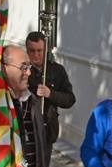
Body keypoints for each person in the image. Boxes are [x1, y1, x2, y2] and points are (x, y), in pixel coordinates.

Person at [25, 30, 76, 159]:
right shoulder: (22, 70)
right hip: (25, 128)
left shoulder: (57, 71)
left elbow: (70, 100)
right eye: (32, 51)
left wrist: (50, 94)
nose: (36, 55)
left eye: (39, 51)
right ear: (27, 50)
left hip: (47, 129)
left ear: (45, 50)